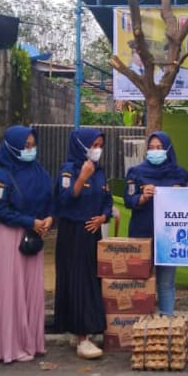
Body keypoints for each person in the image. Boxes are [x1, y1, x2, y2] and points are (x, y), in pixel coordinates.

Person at [0, 126, 53, 363]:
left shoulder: (40, 172)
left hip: (34, 236)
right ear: (11, 147)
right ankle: (8, 345)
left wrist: (49, 218)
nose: (30, 150)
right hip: (10, 237)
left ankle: (31, 341)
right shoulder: (1, 176)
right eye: (25, 145)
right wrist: (30, 221)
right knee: (10, 290)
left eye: (32, 145)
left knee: (30, 289)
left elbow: (50, 199)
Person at [54, 128, 112, 359]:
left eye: (100, 145)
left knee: (91, 281)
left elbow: (106, 200)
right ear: (81, 145)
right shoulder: (69, 171)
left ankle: (83, 328)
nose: (97, 150)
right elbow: (63, 200)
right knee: (77, 282)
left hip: (92, 233)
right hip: (73, 232)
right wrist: (81, 179)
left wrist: (103, 217)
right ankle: (82, 337)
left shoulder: (99, 171)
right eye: (93, 145)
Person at [124, 131, 188, 316]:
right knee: (140, 279)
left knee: (166, 282)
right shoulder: (135, 173)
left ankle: (165, 323)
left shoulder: (180, 174)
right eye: (151, 148)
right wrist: (142, 198)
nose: (155, 151)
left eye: (159, 148)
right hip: (142, 233)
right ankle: (139, 323)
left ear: (168, 149)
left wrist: (182, 193)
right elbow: (129, 199)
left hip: (169, 236)